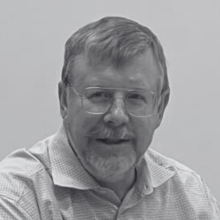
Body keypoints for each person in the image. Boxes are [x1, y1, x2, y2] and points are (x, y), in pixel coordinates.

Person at [0, 16, 219, 220]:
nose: (117, 116)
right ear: (64, 101)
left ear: (160, 107)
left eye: (135, 97)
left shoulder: (190, 196)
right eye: (99, 95)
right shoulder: (17, 196)